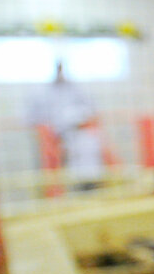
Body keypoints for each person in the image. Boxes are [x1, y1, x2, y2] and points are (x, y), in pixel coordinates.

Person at [28, 60, 109, 190]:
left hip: (77, 135)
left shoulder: (77, 90)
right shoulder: (41, 92)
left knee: (88, 148)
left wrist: (80, 123)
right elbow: (34, 120)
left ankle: (89, 185)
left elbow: (92, 113)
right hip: (54, 137)